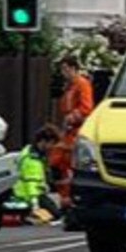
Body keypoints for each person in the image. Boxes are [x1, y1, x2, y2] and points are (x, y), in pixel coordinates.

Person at [49, 55, 94, 208]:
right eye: (62, 70)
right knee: (58, 161)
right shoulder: (69, 86)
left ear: (74, 68)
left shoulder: (82, 84)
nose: (63, 73)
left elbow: (86, 108)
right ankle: (65, 198)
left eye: (65, 69)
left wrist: (72, 118)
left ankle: (70, 200)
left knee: (67, 163)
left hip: (76, 131)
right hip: (68, 131)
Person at [7, 124, 63, 224]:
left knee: (56, 213)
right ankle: (30, 216)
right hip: (28, 197)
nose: (52, 147)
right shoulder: (33, 159)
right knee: (56, 216)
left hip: (29, 195)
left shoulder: (30, 150)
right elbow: (31, 183)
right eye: (52, 143)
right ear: (43, 141)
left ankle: (30, 216)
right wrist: (35, 206)